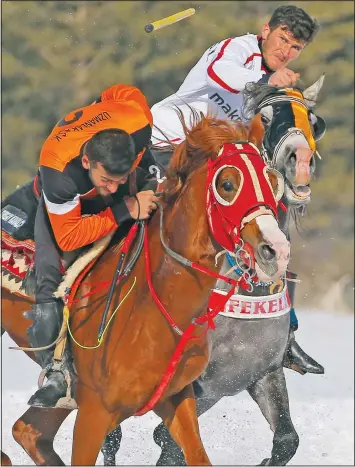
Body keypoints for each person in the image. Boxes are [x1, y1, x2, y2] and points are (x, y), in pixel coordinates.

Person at [149, 5, 324, 375]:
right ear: (266, 31)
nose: (286, 52)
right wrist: (270, 84)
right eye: (282, 40)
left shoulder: (278, 77)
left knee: (271, 220)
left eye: (295, 48)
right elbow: (221, 75)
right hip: (165, 143)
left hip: (211, 162)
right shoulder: (237, 49)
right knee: (137, 215)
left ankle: (286, 334)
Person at [24, 83, 159, 408]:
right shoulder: (60, 171)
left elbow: (124, 91)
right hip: (68, 205)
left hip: (123, 168)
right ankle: (56, 372)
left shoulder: (138, 120)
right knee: (50, 278)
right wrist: (124, 208)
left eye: (118, 178)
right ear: (87, 161)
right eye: (106, 180)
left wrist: (100, 104)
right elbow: (70, 236)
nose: (112, 188)